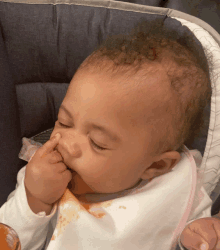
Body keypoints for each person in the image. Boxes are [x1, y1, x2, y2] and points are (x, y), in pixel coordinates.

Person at [0, 19, 216, 250]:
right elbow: (10, 239)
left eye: (97, 143)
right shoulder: (43, 176)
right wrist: (35, 201)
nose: (67, 144)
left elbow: (186, 233)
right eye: (64, 122)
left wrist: (197, 235)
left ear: (157, 165)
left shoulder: (178, 188)